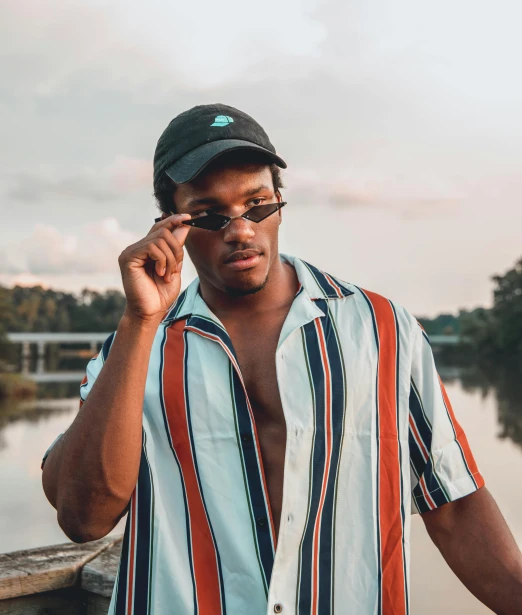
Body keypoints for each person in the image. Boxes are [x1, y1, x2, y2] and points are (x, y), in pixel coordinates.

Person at [42, 103, 522, 615]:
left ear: (279, 204)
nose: (241, 230)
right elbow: (84, 517)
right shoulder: (138, 348)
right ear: (169, 224)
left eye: (258, 205)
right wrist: (139, 322)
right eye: (210, 215)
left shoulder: (382, 329)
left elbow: (454, 505)